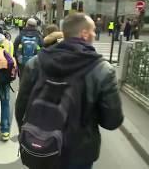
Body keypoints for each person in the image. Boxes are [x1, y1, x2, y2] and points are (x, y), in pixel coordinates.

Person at [15, 13, 123, 169]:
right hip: (78, 155)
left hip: (40, 149)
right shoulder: (103, 70)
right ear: (84, 33)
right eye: (93, 30)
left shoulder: (35, 63)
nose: (94, 34)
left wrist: (27, 136)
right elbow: (112, 121)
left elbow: (21, 107)